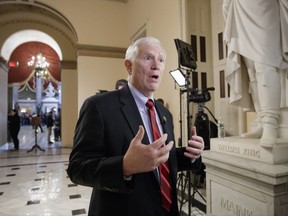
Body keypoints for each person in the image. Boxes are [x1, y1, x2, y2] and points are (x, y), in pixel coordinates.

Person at [67, 37, 205, 216]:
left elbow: (160, 160)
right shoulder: (99, 107)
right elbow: (77, 168)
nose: (156, 65)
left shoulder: (164, 113)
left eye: (161, 60)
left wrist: (190, 154)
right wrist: (125, 166)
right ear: (129, 66)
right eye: (148, 58)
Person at [222, 0, 288, 147]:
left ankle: (271, 123)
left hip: (264, 7)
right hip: (241, 8)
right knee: (251, 71)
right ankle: (262, 121)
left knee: (265, 64)